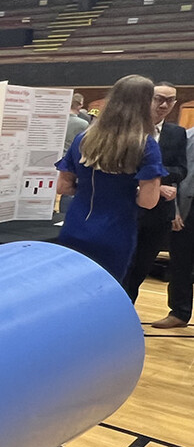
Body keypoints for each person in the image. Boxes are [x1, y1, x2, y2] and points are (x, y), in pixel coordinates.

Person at [54, 75, 165, 281]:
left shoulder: (83, 138)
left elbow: (63, 187)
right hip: (115, 231)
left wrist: (89, 189)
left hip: (76, 224)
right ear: (145, 103)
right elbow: (149, 201)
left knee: (69, 288)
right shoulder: (145, 145)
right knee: (105, 292)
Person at [122, 81, 188, 301]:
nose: (164, 104)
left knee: (140, 269)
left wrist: (154, 176)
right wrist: (155, 183)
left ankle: (127, 314)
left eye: (170, 100)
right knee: (122, 266)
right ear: (148, 98)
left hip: (159, 215)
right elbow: (124, 166)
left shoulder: (177, 133)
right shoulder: (127, 129)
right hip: (127, 208)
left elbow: (180, 170)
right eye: (159, 98)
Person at [152, 125, 194, 328]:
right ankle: (179, 312)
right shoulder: (186, 137)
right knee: (181, 263)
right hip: (188, 207)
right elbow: (175, 175)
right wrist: (174, 209)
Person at [58, 94, 91, 212]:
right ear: (80, 104)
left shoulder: (59, 121)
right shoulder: (83, 124)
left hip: (58, 159)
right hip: (74, 160)